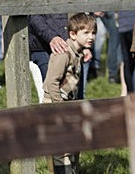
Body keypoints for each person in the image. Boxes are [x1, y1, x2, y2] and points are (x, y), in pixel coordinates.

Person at [42, 12, 96, 174]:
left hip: (67, 104)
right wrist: (59, 107)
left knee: (74, 143)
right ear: (72, 34)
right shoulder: (64, 54)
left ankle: (72, 169)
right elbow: (52, 81)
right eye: (86, 33)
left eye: (93, 33)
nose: (91, 37)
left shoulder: (77, 53)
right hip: (55, 105)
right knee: (61, 148)